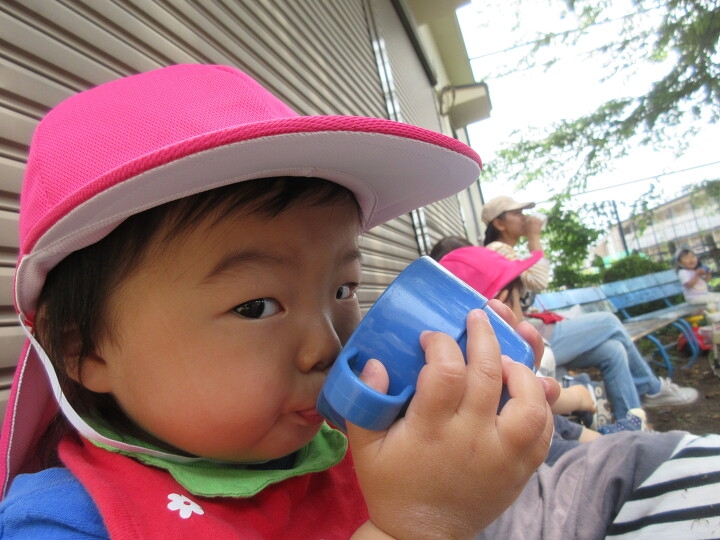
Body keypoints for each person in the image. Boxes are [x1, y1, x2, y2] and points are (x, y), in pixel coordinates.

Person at [0, 64, 562, 538]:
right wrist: (414, 526)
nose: (328, 345)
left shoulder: (367, 447)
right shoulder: (67, 522)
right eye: (256, 306)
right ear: (84, 351)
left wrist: (472, 438)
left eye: (342, 289)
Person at [432, 243, 720, 538]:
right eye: (522, 300)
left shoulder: (456, 393)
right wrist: (585, 408)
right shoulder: (505, 384)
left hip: (567, 451)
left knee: (611, 355)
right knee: (607, 346)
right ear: (502, 304)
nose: (526, 311)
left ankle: (626, 427)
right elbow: (550, 446)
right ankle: (640, 408)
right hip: (568, 467)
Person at [479, 197, 699, 420]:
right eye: (517, 213)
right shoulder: (497, 249)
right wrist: (534, 237)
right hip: (530, 340)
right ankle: (651, 388)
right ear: (499, 223)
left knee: (613, 350)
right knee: (609, 322)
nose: (525, 218)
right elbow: (539, 281)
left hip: (535, 333)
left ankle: (631, 422)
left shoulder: (505, 251)